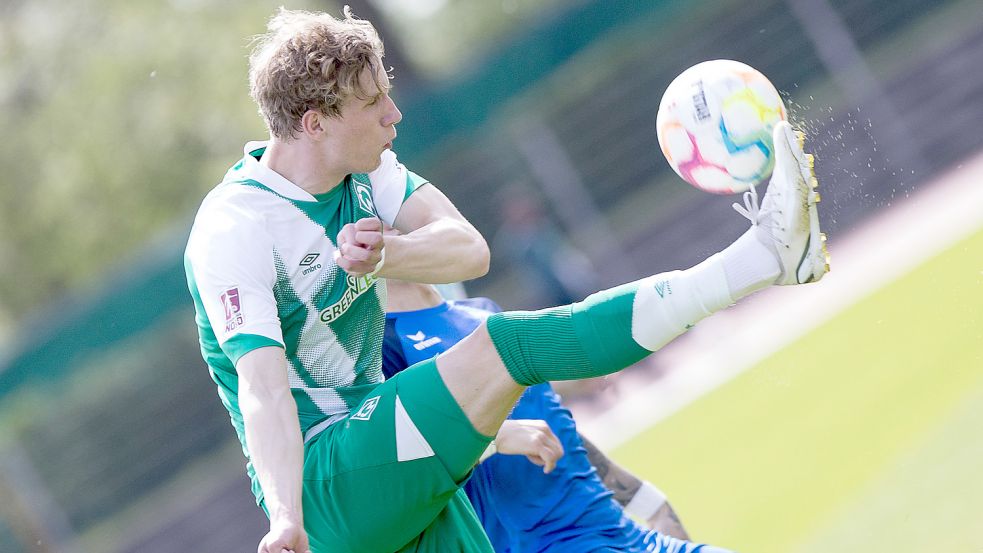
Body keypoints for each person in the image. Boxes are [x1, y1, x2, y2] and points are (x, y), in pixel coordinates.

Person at [183, 7, 828, 553]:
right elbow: (262, 392)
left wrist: (389, 255)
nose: (393, 113)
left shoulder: (365, 175)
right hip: (322, 481)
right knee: (505, 348)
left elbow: (469, 249)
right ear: (315, 121)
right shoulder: (235, 230)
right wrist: (285, 520)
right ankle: (764, 260)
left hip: (383, 462)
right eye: (373, 99)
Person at [382, 278, 733, 552]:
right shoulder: (383, 349)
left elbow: (548, 425)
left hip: (621, 534)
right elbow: (397, 468)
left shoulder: (483, 313)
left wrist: (650, 502)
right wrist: (495, 438)